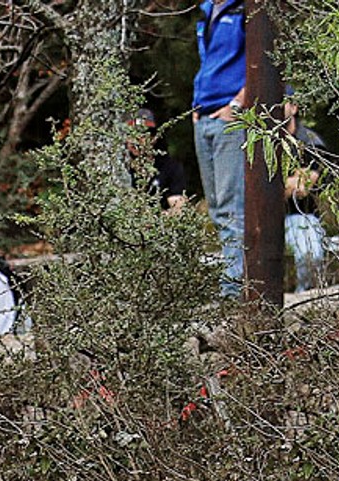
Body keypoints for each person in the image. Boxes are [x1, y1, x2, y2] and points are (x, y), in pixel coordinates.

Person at [192, 0, 247, 297]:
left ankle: (234, 291)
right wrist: (195, 110)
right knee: (216, 209)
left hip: (230, 118)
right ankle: (233, 284)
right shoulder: (206, 10)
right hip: (203, 116)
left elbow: (264, 60)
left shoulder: (244, 8)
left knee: (230, 208)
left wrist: (237, 105)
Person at [282, 92, 331, 293]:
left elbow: (301, 189)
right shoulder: (258, 139)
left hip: (299, 214)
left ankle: (304, 298)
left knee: (309, 254)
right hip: (263, 217)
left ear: (294, 107)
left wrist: (270, 185)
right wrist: (287, 182)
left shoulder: (309, 141)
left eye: (281, 102)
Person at [126, 107, 190, 212]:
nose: (136, 140)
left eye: (142, 134)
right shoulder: (118, 167)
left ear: (153, 138)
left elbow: (178, 208)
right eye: (131, 134)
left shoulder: (170, 167)